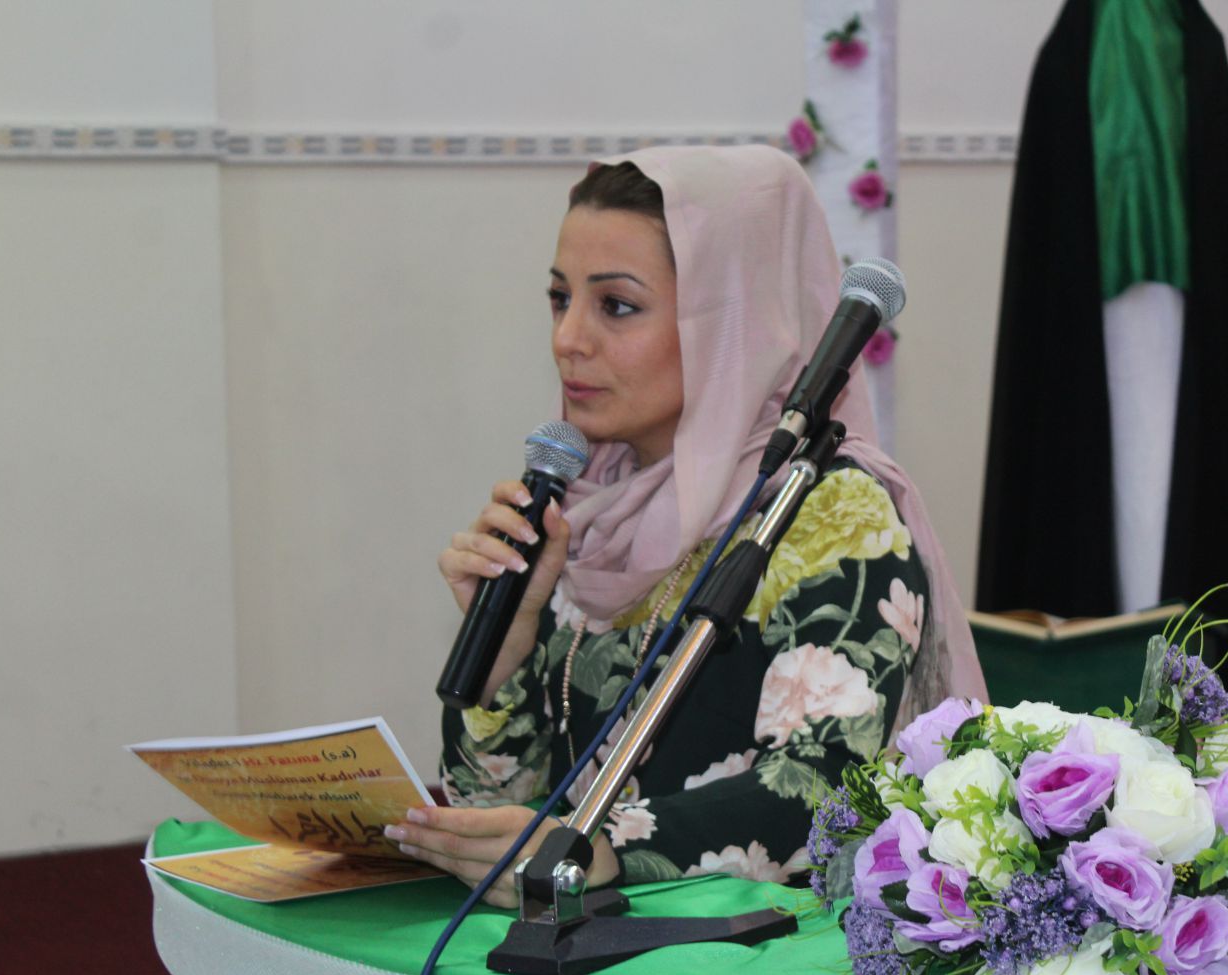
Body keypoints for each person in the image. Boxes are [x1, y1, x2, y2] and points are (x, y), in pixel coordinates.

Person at [387, 145, 985, 907]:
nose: (568, 338)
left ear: (734, 322)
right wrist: (502, 656)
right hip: (582, 943)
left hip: (759, 961)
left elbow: (827, 790)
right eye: (560, 298)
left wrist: (598, 849)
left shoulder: (832, 514)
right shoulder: (586, 512)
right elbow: (494, 809)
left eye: (616, 305)